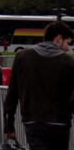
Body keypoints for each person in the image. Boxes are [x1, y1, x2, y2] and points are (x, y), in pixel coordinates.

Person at [5, 20, 74, 150]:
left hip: (33, 121)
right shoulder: (68, 62)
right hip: (60, 123)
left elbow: (12, 94)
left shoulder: (22, 57)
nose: (67, 48)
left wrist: (8, 126)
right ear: (59, 39)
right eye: (68, 43)